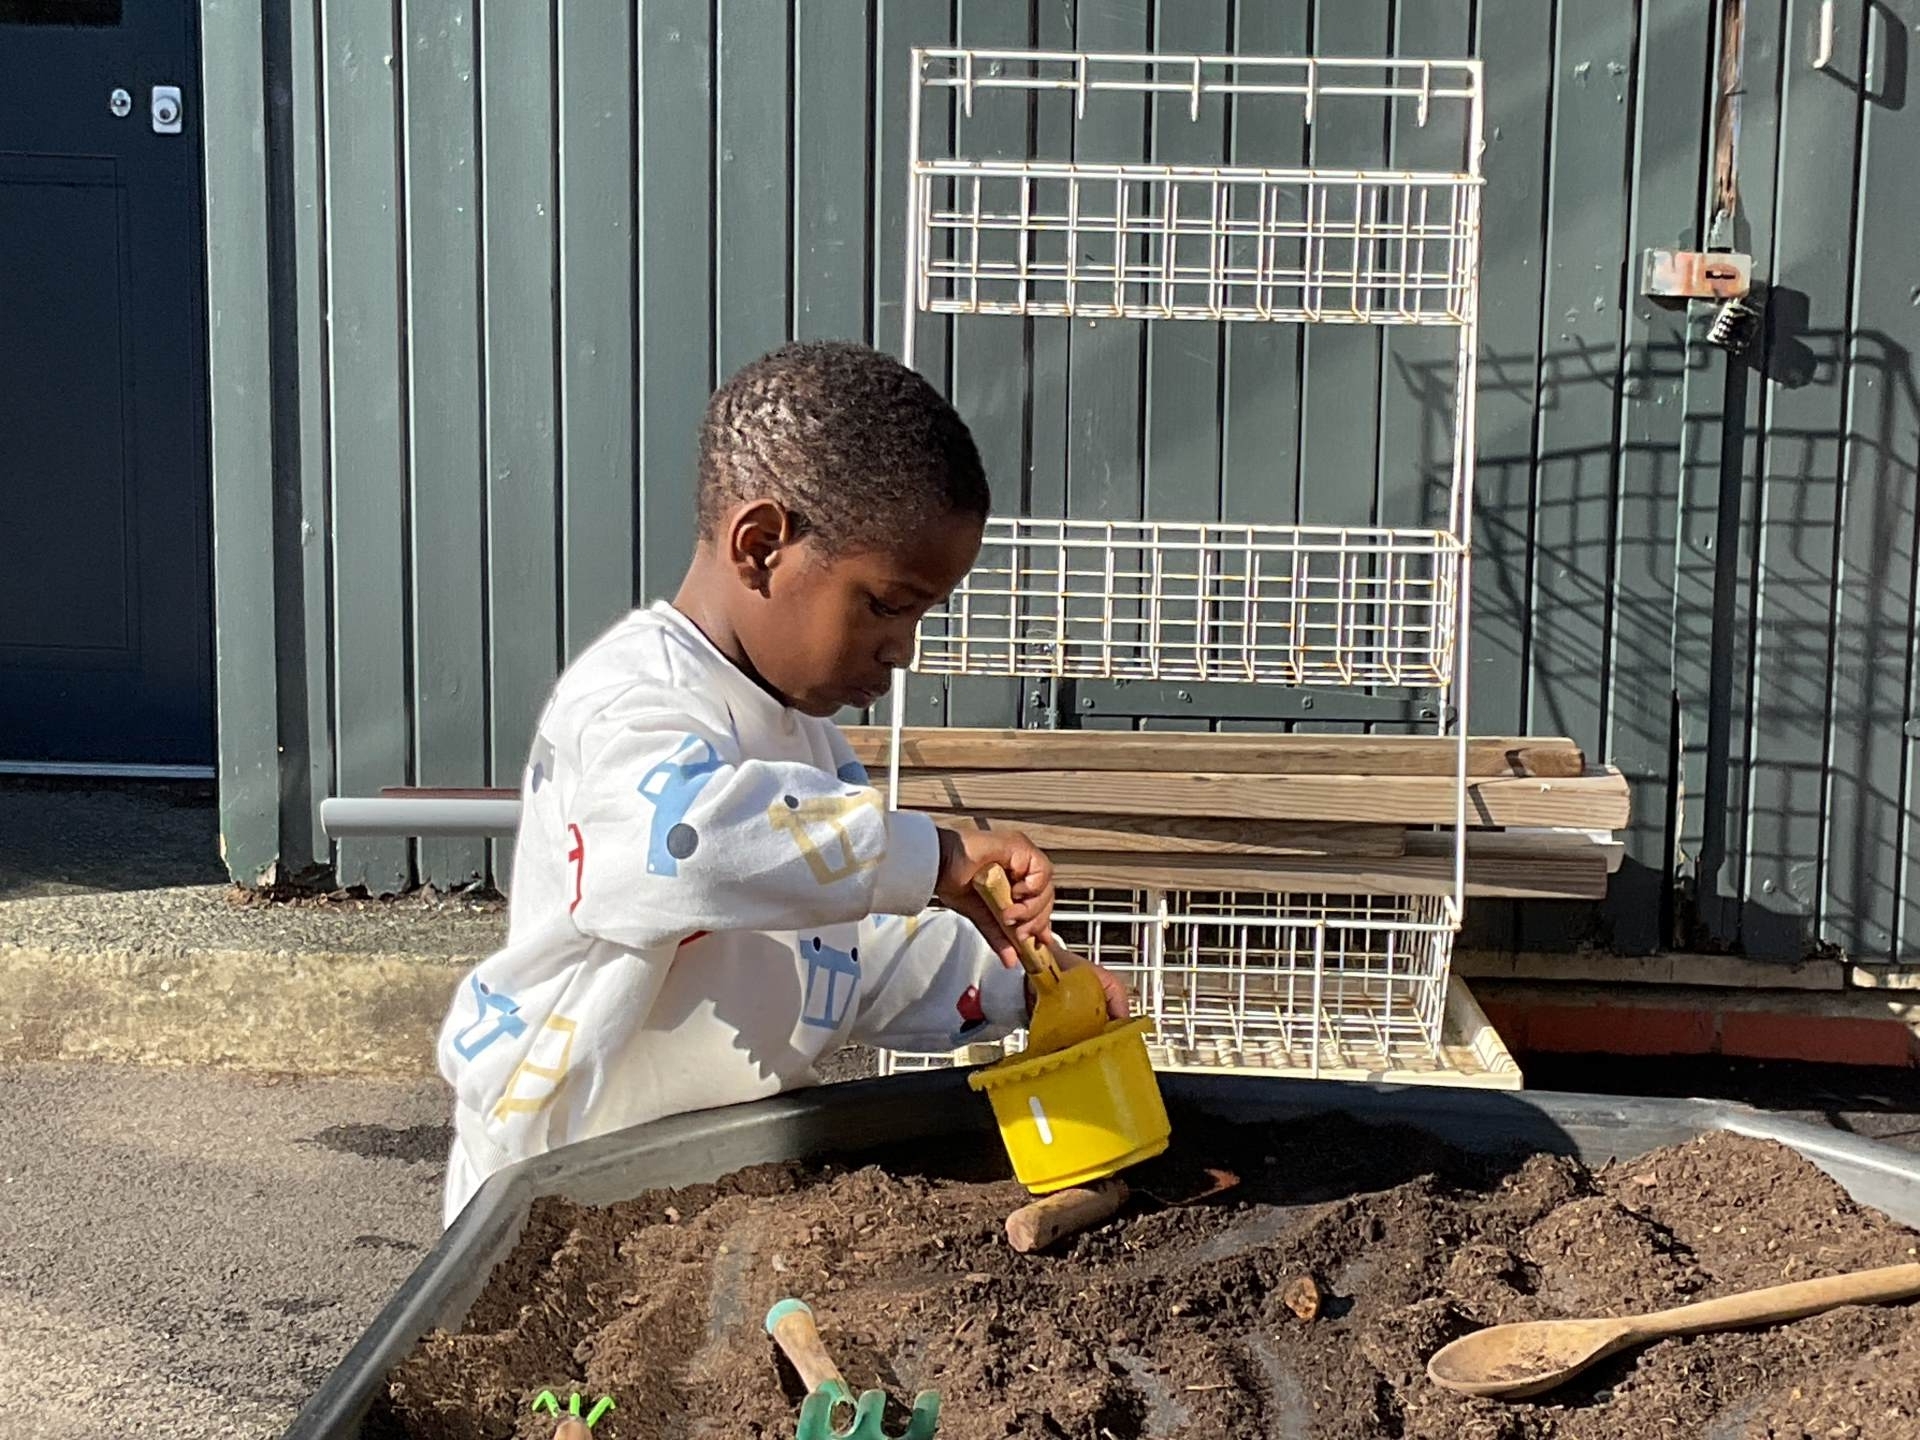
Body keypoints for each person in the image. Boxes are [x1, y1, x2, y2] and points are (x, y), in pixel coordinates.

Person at [437, 340, 1127, 1224]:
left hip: (724, 1178)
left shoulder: (809, 747)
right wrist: (932, 855)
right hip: (558, 1186)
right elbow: (685, 849)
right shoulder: (630, 700)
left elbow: (843, 953)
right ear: (761, 547)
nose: (903, 649)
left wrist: (1014, 981)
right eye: (887, 604)